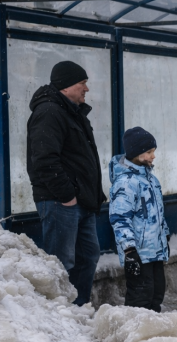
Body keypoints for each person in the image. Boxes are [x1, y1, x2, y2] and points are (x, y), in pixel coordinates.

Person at [27, 61, 105, 306]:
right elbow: (43, 158)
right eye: (82, 83)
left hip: (81, 201)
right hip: (61, 202)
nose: (86, 89)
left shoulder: (72, 112)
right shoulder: (49, 112)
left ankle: (78, 308)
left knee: (88, 256)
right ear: (66, 86)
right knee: (62, 263)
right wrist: (66, 195)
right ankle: (61, 313)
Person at [109, 127, 170, 312]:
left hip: (156, 251)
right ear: (136, 153)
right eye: (149, 152)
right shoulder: (126, 182)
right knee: (140, 296)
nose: (153, 156)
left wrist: (165, 234)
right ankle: (135, 334)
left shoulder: (152, 180)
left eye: (154, 152)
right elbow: (120, 218)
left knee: (157, 292)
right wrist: (129, 250)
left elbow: (158, 212)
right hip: (137, 252)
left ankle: (151, 335)